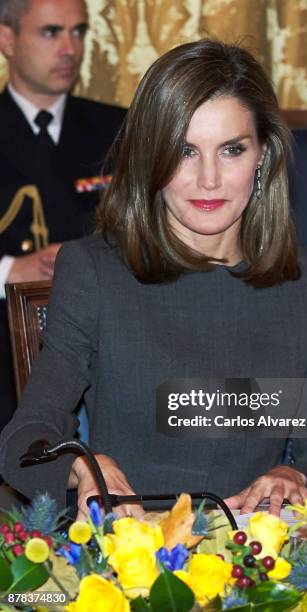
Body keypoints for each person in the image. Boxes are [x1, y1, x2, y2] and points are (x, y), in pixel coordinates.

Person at [0, 40, 307, 519]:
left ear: (263, 155)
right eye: (185, 151)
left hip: (258, 558)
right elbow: (26, 440)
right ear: (151, 157)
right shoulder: (94, 271)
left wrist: (294, 476)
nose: (209, 180)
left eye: (231, 150)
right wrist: (83, 466)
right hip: (131, 557)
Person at [0, 0, 126, 432]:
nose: (70, 48)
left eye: (79, 32)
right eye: (51, 32)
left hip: (111, 337)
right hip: (9, 341)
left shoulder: (119, 129)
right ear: (6, 38)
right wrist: (12, 269)